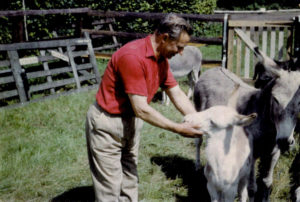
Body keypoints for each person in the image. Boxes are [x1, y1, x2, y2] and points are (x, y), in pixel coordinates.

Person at [85, 13, 202, 202]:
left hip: (131, 121)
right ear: (164, 38)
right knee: (110, 187)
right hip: (107, 125)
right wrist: (178, 128)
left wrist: (198, 119)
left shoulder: (161, 60)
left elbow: (176, 93)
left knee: (130, 178)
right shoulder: (133, 56)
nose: (181, 53)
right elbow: (142, 109)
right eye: (179, 47)